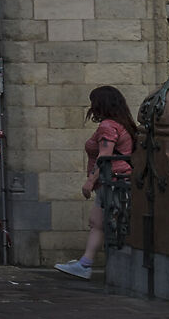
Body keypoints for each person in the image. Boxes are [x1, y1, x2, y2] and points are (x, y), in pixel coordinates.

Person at [59, 85, 140, 279]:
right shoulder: (122, 124)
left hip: (111, 181)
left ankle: (87, 265)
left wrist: (89, 182)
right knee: (97, 222)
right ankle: (85, 264)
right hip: (116, 181)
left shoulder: (108, 126)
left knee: (109, 224)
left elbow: (104, 157)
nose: (91, 107)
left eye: (93, 103)